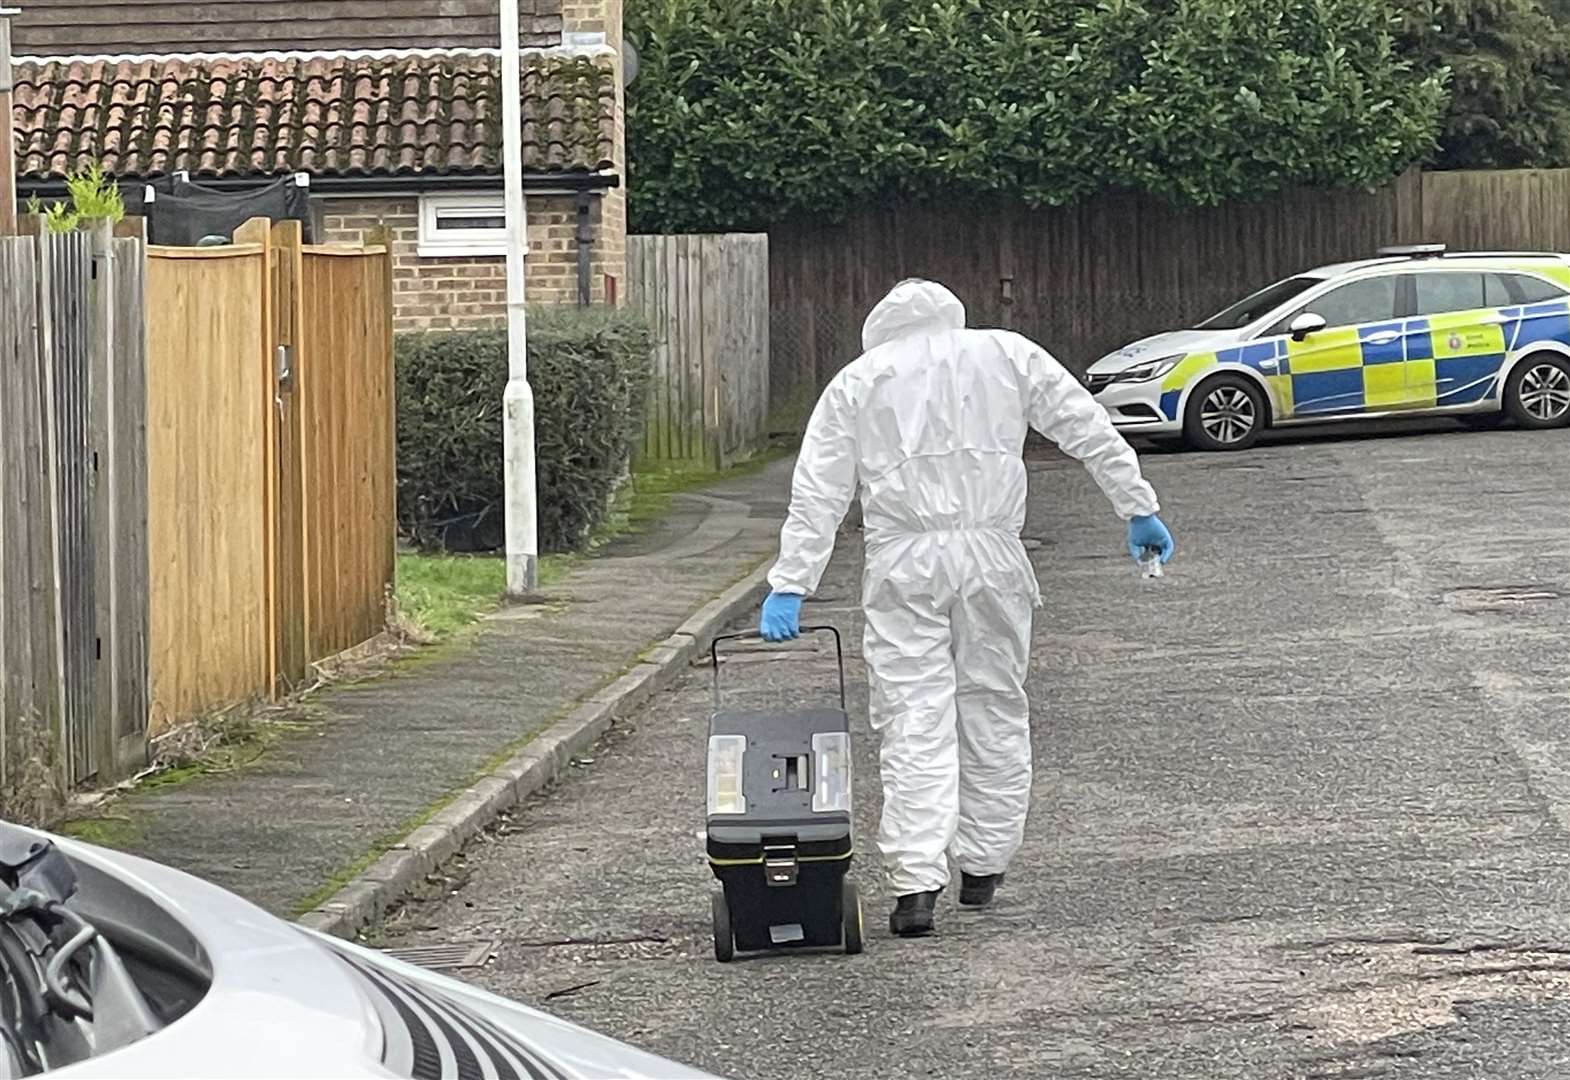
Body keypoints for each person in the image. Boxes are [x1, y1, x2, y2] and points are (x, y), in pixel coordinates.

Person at [758, 279, 1173, 938]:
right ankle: (984, 866)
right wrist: (1137, 506)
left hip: (903, 564)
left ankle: (916, 886)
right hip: (992, 559)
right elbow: (1085, 426)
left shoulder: (859, 380)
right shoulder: (1006, 353)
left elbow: (820, 489)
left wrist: (792, 581)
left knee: (913, 716)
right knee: (992, 706)